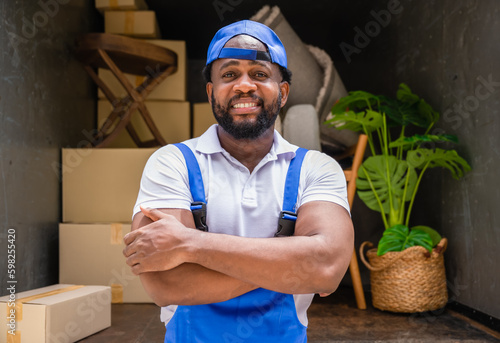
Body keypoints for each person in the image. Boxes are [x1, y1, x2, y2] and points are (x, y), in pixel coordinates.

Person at [123, 20, 354, 342]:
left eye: (259, 74)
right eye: (229, 75)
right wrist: (293, 265)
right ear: (211, 91)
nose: (244, 86)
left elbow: (326, 270)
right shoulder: (172, 162)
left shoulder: (315, 168)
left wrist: (189, 244)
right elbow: (165, 284)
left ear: (283, 92)